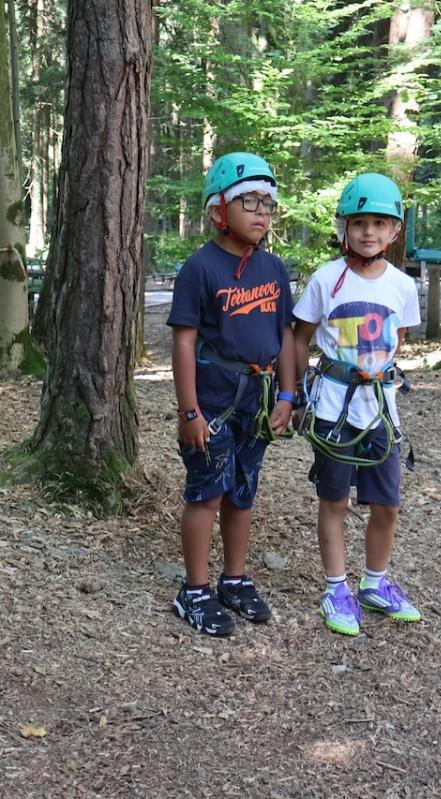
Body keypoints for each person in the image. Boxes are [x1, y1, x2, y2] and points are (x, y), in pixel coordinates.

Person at [166, 152, 297, 637]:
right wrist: (189, 410)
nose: (262, 212)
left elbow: (283, 334)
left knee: (242, 493)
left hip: (257, 402)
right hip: (213, 403)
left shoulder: (274, 269)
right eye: (249, 201)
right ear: (219, 209)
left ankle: (234, 579)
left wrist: (288, 393)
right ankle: (194, 590)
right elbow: (182, 341)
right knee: (207, 492)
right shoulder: (200, 268)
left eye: (269, 203)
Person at [291, 172, 422, 637]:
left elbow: (396, 341)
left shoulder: (403, 286)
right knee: (335, 501)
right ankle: (335, 588)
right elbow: (299, 339)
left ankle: (374, 583)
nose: (369, 232)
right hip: (333, 410)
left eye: (379, 224)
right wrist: (295, 395)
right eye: (360, 222)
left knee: (387, 505)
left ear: (394, 231)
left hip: (381, 412)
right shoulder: (326, 280)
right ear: (344, 227)